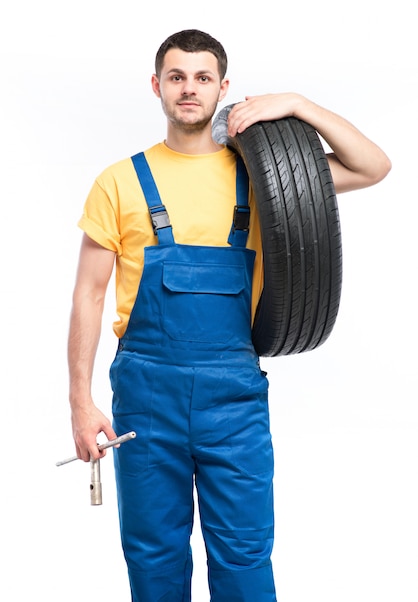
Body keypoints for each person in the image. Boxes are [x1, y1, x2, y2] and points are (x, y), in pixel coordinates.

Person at [67, 29, 391, 601]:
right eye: (176, 77)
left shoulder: (267, 179)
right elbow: (89, 296)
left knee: (244, 559)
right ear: (156, 86)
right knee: (153, 558)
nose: (189, 89)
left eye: (202, 77)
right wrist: (80, 401)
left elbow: (373, 167)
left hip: (233, 400)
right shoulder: (118, 181)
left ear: (223, 89)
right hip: (145, 396)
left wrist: (299, 105)